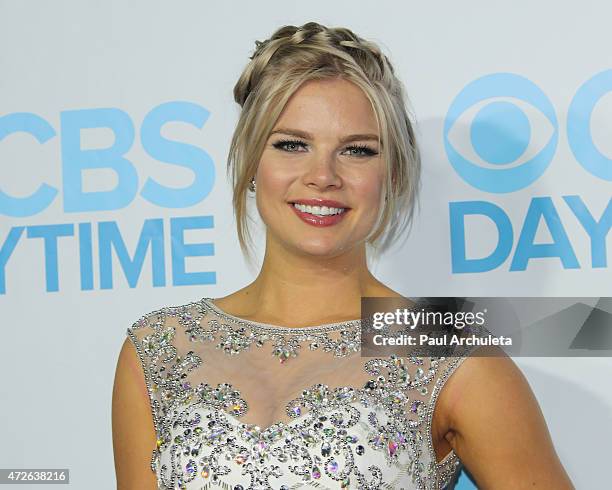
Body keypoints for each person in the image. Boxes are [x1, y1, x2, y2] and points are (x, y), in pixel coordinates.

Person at [112, 22, 574, 489]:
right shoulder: (159, 349)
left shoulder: (450, 353)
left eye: (357, 150)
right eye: (292, 144)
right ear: (252, 161)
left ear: (392, 176)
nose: (323, 176)